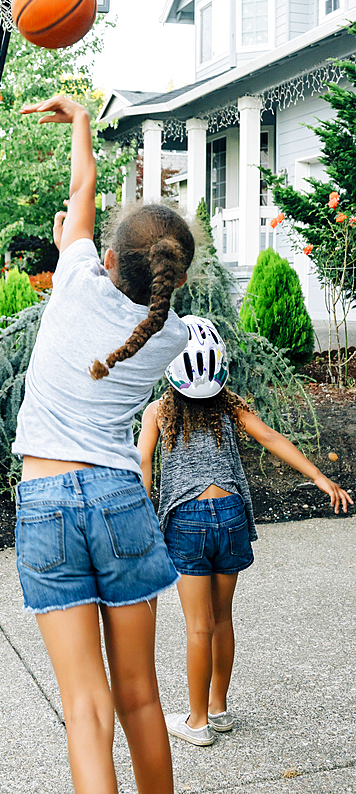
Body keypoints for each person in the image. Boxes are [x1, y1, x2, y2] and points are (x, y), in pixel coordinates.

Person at [10, 95, 196, 794]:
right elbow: (93, 224)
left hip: (47, 502)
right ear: (174, 276)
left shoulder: (73, 282)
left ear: (104, 256)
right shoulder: (169, 336)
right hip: (120, 499)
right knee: (140, 697)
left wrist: (81, 119)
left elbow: (80, 190)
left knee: (86, 709)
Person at [137, 315, 353, 746]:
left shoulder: (158, 410)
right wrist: (318, 477)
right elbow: (271, 438)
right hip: (232, 515)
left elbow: (144, 464)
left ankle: (196, 722)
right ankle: (218, 709)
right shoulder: (230, 403)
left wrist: (142, 522)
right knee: (222, 619)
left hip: (187, 520)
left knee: (198, 626)